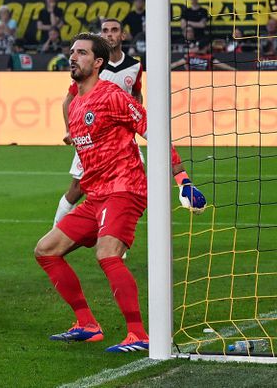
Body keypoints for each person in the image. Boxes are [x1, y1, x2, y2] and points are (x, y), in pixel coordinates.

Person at [34, 32, 202, 353]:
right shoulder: (75, 105)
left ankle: (138, 334)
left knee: (107, 253)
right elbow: (89, 160)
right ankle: (87, 324)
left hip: (124, 188)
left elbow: (153, 129)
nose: (73, 57)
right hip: (96, 195)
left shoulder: (112, 95)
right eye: (72, 52)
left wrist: (180, 175)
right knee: (46, 250)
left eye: (81, 53)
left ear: (98, 63)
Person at [57, 20, 208, 223]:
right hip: (93, 137)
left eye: (114, 30)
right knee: (77, 189)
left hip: (120, 137)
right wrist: (70, 130)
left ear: (123, 35)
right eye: (104, 31)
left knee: (130, 183)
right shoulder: (90, 68)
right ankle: (59, 229)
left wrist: (133, 118)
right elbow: (70, 99)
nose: (109, 34)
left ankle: (115, 236)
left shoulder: (134, 66)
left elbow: (137, 95)